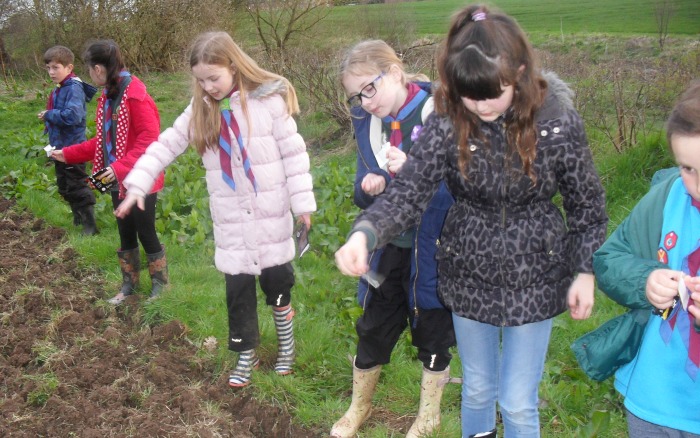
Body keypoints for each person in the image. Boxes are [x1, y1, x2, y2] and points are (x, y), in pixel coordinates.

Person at [334, 5, 608, 438]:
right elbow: (409, 190)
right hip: (467, 269)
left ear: (518, 73)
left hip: (535, 274)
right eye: (469, 95)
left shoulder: (555, 124)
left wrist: (584, 270)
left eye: (490, 94)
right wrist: (365, 234)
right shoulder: (450, 121)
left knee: (517, 402)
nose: (479, 106)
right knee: (477, 390)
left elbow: (588, 208)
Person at [114, 31, 316, 388]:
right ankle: (245, 354)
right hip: (232, 225)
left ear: (234, 67)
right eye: (201, 80)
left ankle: (286, 345)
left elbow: (294, 156)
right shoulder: (200, 112)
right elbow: (164, 147)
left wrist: (303, 205)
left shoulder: (269, 103)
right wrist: (137, 183)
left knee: (278, 287)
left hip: (271, 220)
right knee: (237, 292)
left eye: (214, 78)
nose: (208, 87)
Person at [331, 40, 456, 438]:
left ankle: (429, 415)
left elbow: (463, 188)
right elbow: (359, 191)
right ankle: (358, 407)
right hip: (388, 249)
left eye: (370, 87)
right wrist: (370, 186)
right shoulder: (368, 123)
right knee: (372, 327)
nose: (365, 101)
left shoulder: (441, 112)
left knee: (433, 331)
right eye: (356, 95)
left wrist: (417, 171)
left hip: (434, 251)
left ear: (396, 73)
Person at [579, 81, 700, 437]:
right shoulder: (667, 197)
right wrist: (645, 280)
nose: (696, 183)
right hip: (653, 400)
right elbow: (610, 258)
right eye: (687, 168)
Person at [51, 40, 168, 304]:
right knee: (124, 230)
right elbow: (104, 142)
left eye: (89, 69)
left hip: (141, 179)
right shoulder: (109, 95)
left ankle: (161, 287)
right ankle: (129, 286)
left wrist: (117, 169)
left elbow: (150, 140)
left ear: (99, 69)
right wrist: (68, 153)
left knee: (145, 230)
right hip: (117, 177)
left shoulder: (136, 95)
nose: (89, 74)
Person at [38, 45, 98, 235]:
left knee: (77, 185)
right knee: (64, 186)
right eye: (48, 68)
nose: (51, 72)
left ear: (69, 67)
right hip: (59, 147)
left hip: (73, 148)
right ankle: (78, 217)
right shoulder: (60, 88)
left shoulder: (73, 88)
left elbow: (73, 116)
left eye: (56, 67)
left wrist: (50, 114)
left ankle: (91, 226)